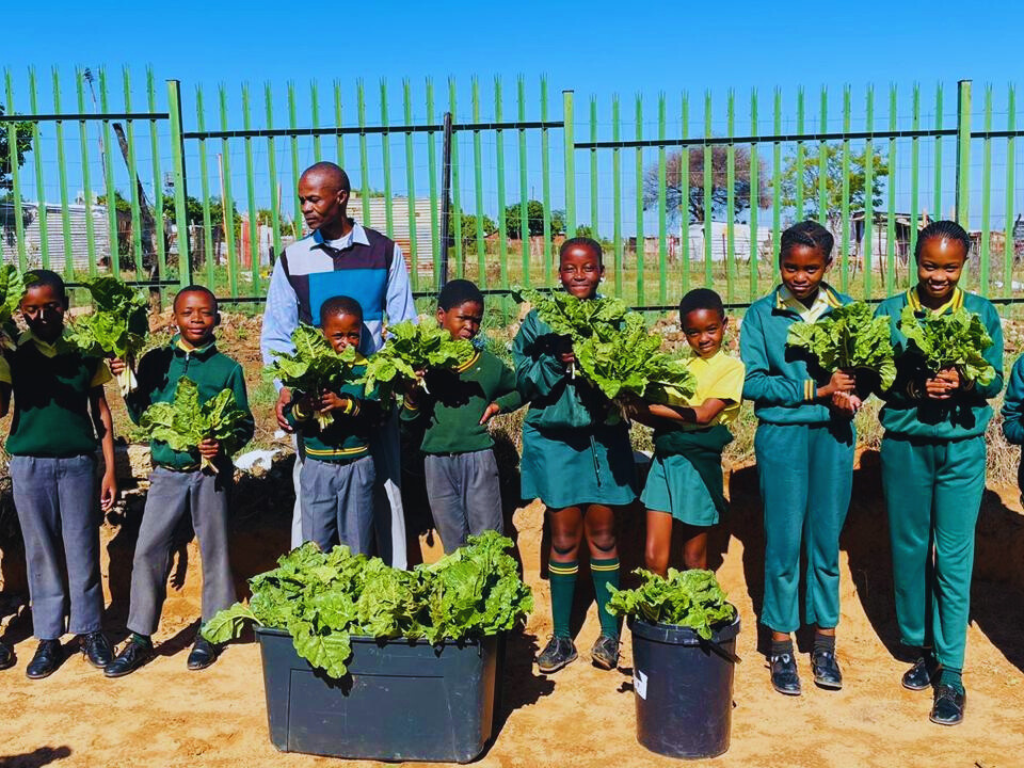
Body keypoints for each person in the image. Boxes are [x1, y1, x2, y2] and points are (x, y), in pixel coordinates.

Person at [874, 220, 1003, 726]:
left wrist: (964, 380)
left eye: (949, 268)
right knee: (908, 548)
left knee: (952, 554)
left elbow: (992, 374)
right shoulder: (890, 313)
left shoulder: (980, 312)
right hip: (906, 445)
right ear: (915, 260)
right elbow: (877, 375)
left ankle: (951, 670)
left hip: (961, 448)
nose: (938, 277)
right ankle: (921, 645)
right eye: (929, 265)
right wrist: (911, 389)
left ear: (964, 265)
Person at [261, 161, 416, 567]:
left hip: (371, 400)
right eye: (302, 201)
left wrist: (385, 385)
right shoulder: (292, 258)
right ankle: (306, 587)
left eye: (313, 199)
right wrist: (285, 387)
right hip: (316, 405)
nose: (306, 208)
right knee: (309, 496)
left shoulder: (383, 251)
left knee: (385, 490)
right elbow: (277, 334)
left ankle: (390, 582)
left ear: (341, 198)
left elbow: (402, 325)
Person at [104, 286, 254, 677]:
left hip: (211, 475)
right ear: (175, 319)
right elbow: (142, 416)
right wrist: (127, 383)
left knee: (216, 551)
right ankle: (139, 635)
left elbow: (245, 424)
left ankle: (212, 629)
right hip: (167, 473)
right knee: (148, 550)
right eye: (189, 313)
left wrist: (221, 442)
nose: (197, 319)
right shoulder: (158, 362)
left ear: (217, 318)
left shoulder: (227, 369)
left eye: (206, 313)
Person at [740, 221, 857, 696]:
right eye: (791, 266)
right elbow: (750, 383)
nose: (800, 277)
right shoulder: (761, 316)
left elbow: (866, 374)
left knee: (825, 541)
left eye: (811, 268)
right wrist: (816, 389)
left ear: (829, 265)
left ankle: (825, 641)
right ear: (779, 262)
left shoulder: (847, 312)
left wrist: (854, 392)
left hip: (832, 437)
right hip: (782, 439)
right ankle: (781, 643)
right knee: (784, 542)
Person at [513, 237, 637, 674]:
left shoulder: (615, 317)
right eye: (570, 268)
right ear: (559, 272)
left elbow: (631, 374)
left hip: (602, 441)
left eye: (588, 268)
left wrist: (598, 365)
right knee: (563, 536)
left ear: (602, 271)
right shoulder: (540, 320)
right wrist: (555, 360)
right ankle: (561, 637)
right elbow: (523, 378)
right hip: (555, 440)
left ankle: (609, 635)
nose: (579, 275)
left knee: (604, 534)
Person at [0, 269, 118, 679]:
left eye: (51, 306)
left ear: (65, 306)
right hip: (29, 467)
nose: (41, 315)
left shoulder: (85, 352)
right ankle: (48, 637)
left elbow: (100, 412)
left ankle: (89, 630)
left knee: (83, 547)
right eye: (31, 309)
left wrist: (109, 470)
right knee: (41, 552)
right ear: (19, 312)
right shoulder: (13, 353)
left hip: (78, 465)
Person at [625, 288, 743, 575]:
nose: (703, 339)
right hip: (664, 460)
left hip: (696, 464)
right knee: (653, 556)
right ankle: (657, 613)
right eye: (693, 332)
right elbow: (665, 422)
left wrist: (645, 407)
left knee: (693, 555)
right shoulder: (677, 368)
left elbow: (703, 415)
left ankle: (695, 611)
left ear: (724, 325)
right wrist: (627, 404)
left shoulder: (732, 368)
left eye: (711, 329)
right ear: (684, 333)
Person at [400, 279, 522, 553]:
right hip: (435, 462)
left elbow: (520, 389)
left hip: (478, 459)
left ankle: (492, 592)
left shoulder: (489, 365)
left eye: (476, 320)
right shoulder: (424, 367)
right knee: (453, 541)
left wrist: (498, 406)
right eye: (463, 318)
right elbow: (407, 425)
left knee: (488, 538)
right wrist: (410, 396)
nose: (470, 326)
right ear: (441, 317)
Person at [284, 296, 382, 554]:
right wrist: (305, 407)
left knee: (358, 545)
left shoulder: (368, 370)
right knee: (315, 544)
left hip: (358, 465)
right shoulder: (306, 372)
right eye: (338, 335)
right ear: (322, 334)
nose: (346, 343)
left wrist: (344, 404)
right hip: (318, 467)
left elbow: (378, 415)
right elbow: (290, 419)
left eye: (354, 335)